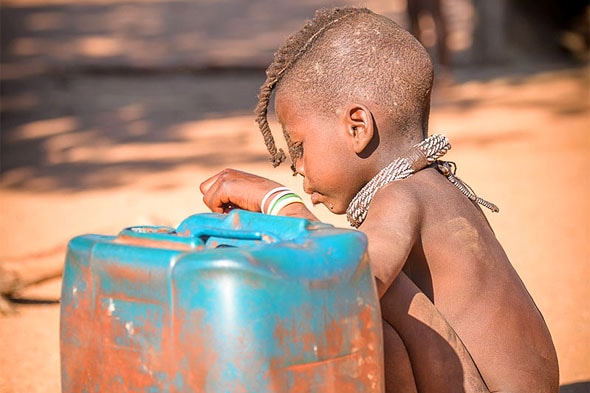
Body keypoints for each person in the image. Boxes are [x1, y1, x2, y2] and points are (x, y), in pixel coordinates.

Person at [200, 7, 559, 392]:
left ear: (357, 127)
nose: (297, 169)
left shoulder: (403, 196)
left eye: (300, 148)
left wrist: (281, 205)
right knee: (380, 290)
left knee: (368, 305)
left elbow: (344, 278)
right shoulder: (434, 186)